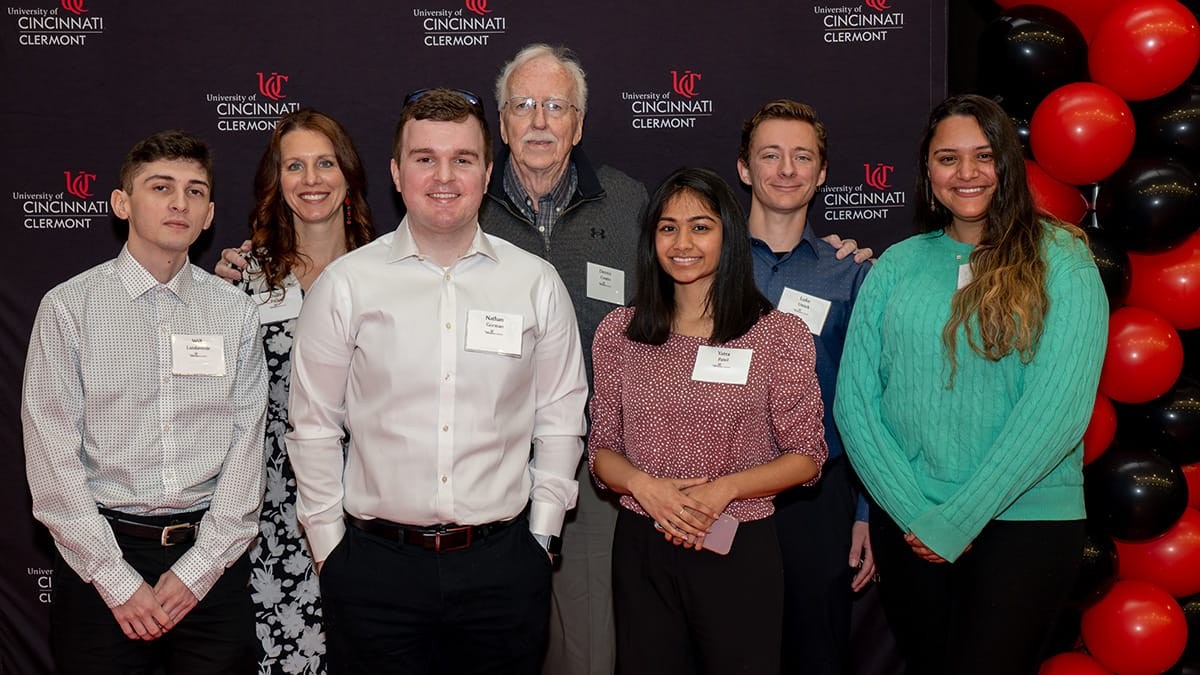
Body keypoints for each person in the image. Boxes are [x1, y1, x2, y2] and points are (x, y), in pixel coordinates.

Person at [284, 88, 588, 674]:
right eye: (425, 158)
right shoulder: (348, 285)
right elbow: (314, 424)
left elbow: (560, 413)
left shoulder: (535, 283)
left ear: (487, 171)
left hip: (503, 566)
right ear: (397, 173)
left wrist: (542, 537)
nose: (444, 176)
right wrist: (329, 551)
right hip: (374, 570)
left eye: (463, 159)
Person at [834, 94, 1108, 675]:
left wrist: (958, 520)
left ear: (1007, 163)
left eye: (983, 156)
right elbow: (855, 404)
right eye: (947, 158)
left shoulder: (1063, 258)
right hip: (908, 525)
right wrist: (915, 515)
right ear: (927, 172)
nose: (966, 174)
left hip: (1024, 525)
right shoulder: (897, 265)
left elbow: (1057, 411)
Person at [22, 130, 268, 675]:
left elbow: (247, 451)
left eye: (195, 191)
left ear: (209, 216)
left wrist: (198, 570)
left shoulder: (236, 314)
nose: (180, 202)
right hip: (100, 562)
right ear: (122, 203)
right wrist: (115, 578)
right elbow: (51, 458)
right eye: (161, 187)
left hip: (210, 560)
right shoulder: (69, 308)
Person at [589, 167, 828, 675]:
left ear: (728, 236)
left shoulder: (776, 335)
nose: (683, 242)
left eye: (701, 226)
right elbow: (602, 448)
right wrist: (644, 486)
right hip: (643, 544)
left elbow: (807, 458)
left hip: (736, 545)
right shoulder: (620, 332)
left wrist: (723, 490)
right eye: (668, 227)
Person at [479, 44, 645, 675]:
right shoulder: (463, 203)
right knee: (493, 641)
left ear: (579, 124)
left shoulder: (630, 206)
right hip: (483, 464)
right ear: (502, 123)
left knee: (588, 648)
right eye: (524, 106)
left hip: (593, 468)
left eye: (556, 106)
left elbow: (670, 327)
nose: (540, 121)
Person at [233, 109, 375, 675]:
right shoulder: (247, 277)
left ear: (349, 176)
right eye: (295, 165)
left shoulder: (387, 270)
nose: (311, 178)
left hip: (370, 501)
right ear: (278, 180)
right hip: (272, 510)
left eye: (325, 162)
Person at [736, 99, 874, 675]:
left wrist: (865, 512)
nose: (786, 169)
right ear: (745, 169)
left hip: (818, 496)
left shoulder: (853, 272)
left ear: (821, 174)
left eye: (802, 157)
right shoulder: (702, 258)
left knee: (816, 655)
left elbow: (872, 399)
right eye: (770, 155)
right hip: (723, 489)